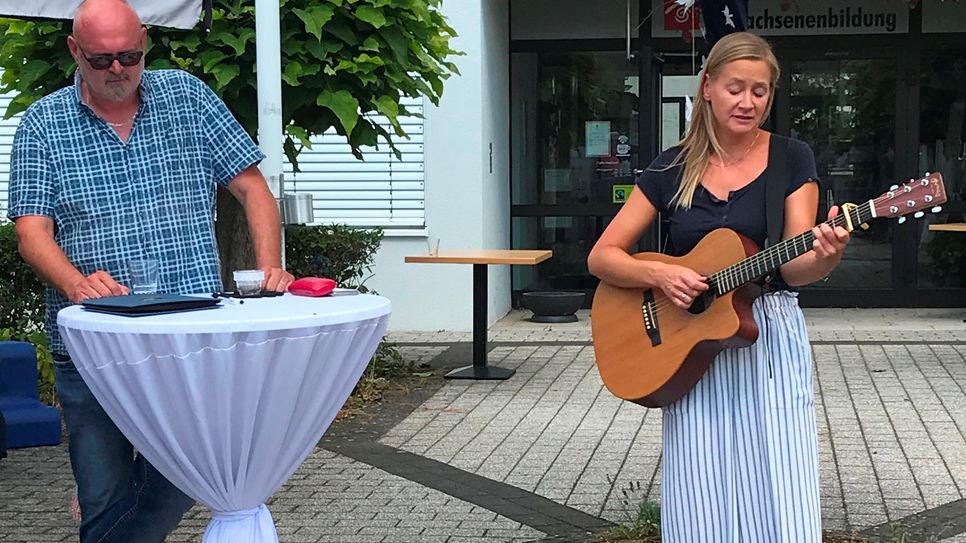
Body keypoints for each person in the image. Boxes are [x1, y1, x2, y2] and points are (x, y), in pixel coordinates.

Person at [6, 0, 294, 541]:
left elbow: (252, 188)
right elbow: (32, 232)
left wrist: (269, 268)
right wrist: (75, 283)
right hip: (94, 345)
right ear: (74, 51)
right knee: (103, 494)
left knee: (188, 475)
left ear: (145, 43)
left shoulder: (189, 97)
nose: (118, 69)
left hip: (189, 338)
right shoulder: (43, 124)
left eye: (129, 56)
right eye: (101, 59)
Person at [587, 32, 850, 542]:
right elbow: (603, 256)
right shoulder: (671, 166)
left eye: (760, 91)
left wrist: (828, 255)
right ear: (707, 87)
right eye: (736, 88)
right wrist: (662, 274)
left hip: (765, 334)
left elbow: (794, 267)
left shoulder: (791, 158)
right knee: (700, 485)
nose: (748, 102)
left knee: (779, 479)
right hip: (688, 340)